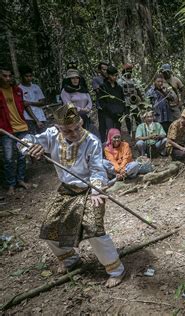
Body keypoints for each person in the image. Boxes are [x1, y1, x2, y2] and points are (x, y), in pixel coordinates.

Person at [21, 104, 125, 287]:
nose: (75, 133)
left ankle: (116, 269)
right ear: (58, 128)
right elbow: (24, 140)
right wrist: (30, 147)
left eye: (77, 127)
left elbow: (97, 170)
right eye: (67, 131)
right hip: (67, 190)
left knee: (94, 229)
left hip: (90, 189)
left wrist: (96, 191)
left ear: (81, 122)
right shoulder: (51, 135)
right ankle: (69, 259)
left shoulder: (91, 141)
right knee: (49, 227)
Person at [0, 65, 41, 195]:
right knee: (8, 158)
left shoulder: (17, 90)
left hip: (22, 127)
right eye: (4, 76)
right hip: (6, 130)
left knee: (23, 155)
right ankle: (11, 184)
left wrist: (33, 120)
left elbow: (23, 107)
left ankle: (21, 180)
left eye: (9, 76)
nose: (8, 78)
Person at [97, 66, 126, 140]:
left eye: (116, 75)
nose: (115, 77)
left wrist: (121, 110)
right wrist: (110, 111)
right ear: (108, 75)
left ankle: (118, 150)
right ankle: (110, 149)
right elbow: (102, 102)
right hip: (108, 114)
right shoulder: (103, 87)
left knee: (117, 132)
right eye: (113, 75)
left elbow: (122, 100)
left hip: (118, 114)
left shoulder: (119, 87)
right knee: (110, 132)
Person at [18, 65, 47, 134]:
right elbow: (26, 106)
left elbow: (43, 102)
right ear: (22, 76)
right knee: (32, 139)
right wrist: (36, 120)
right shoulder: (19, 89)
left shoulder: (36, 87)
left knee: (44, 137)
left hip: (41, 116)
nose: (29, 78)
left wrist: (30, 103)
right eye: (26, 76)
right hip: (28, 118)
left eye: (30, 76)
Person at [118, 63, 142, 136]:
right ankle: (130, 133)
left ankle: (140, 132)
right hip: (125, 102)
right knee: (128, 118)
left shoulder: (134, 80)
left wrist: (142, 101)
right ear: (124, 71)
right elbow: (119, 92)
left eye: (131, 71)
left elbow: (138, 90)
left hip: (134, 102)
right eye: (128, 70)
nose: (129, 72)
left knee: (137, 117)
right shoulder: (120, 81)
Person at [92, 62, 108, 142]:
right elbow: (98, 91)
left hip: (111, 106)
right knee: (102, 126)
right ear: (99, 70)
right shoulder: (96, 79)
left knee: (111, 126)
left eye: (106, 69)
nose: (105, 71)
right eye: (103, 69)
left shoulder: (110, 79)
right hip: (101, 106)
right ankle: (102, 143)